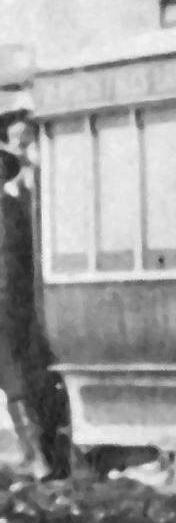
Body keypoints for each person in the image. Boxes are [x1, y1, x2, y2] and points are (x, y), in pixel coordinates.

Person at [0, 114, 66, 480]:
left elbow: (8, 269)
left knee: (15, 383)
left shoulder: (6, 213)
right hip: (19, 306)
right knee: (20, 380)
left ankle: (37, 458)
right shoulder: (14, 210)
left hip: (5, 307)